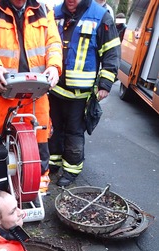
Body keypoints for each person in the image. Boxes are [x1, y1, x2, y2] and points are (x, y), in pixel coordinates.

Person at [0, 0, 62, 195]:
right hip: (5, 89)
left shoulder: (43, 10)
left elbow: (53, 43)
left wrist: (54, 66)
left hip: (37, 90)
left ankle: (38, 182)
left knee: (40, 135)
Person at [48, 0, 120, 186]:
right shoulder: (54, 13)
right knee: (52, 129)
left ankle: (71, 170)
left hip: (79, 95)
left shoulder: (100, 16)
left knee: (73, 132)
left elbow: (111, 52)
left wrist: (105, 83)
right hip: (53, 88)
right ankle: (53, 162)